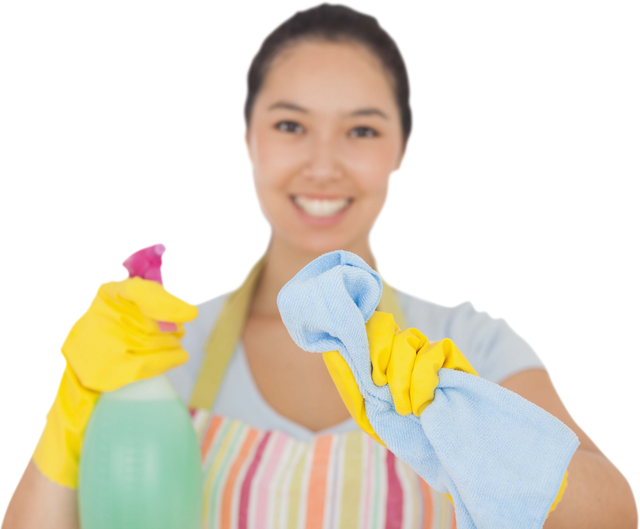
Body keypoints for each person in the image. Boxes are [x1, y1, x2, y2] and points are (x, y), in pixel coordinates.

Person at [7, 2, 610, 528]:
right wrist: (73, 408)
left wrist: (469, 418)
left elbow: (612, 512)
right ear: (247, 138)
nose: (323, 166)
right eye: (291, 125)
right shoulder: (158, 356)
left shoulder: (467, 346)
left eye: (362, 131)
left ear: (405, 148)